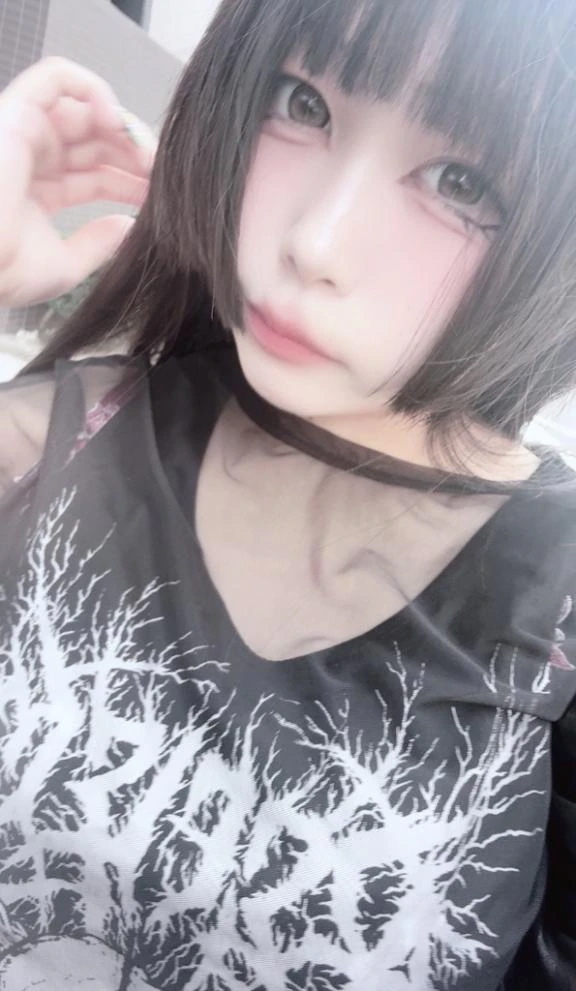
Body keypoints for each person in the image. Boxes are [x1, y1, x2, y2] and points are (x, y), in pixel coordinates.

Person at [1, 1, 576, 988]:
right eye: (302, 103)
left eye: (461, 182)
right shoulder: (63, 436)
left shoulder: (556, 603)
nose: (317, 240)